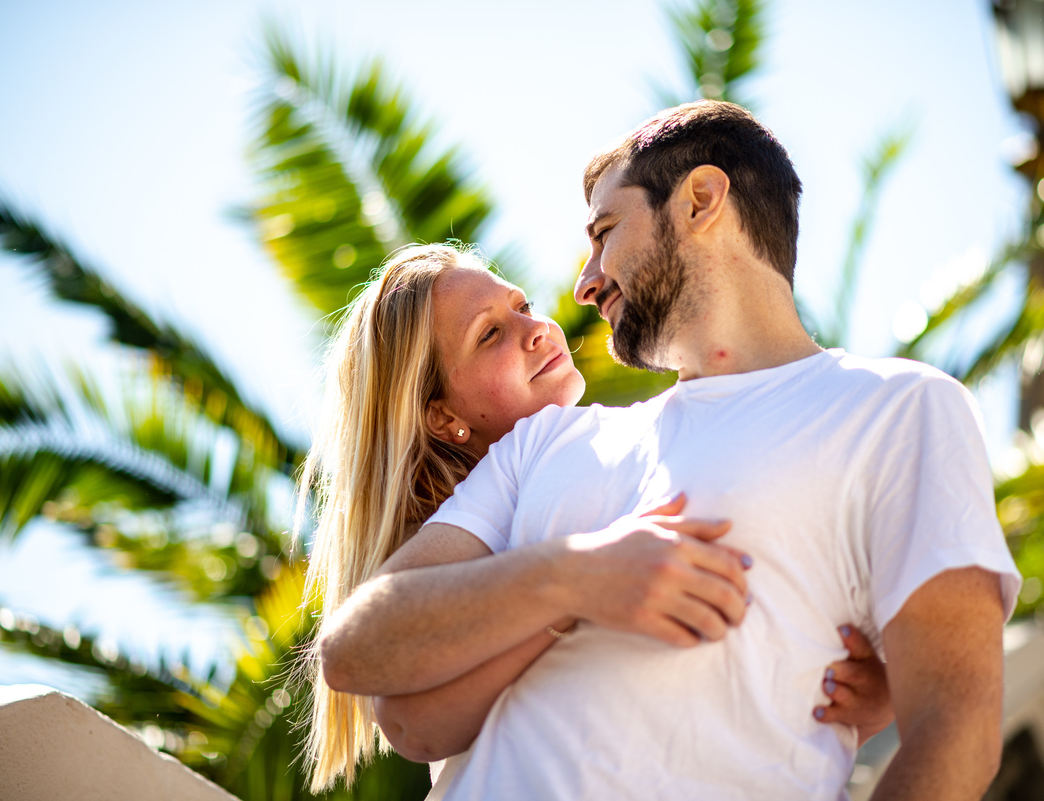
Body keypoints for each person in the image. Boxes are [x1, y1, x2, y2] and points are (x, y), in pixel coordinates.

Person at [320, 101, 1023, 800]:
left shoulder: (898, 409)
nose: (584, 283)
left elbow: (956, 732)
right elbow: (357, 648)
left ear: (700, 200)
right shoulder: (547, 439)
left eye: (604, 231)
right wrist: (581, 574)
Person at [296, 243, 892, 794]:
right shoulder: (507, 485)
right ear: (442, 416)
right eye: (491, 335)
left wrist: (872, 696)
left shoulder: (611, 446)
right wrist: (583, 586)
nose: (537, 329)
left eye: (522, 306)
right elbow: (408, 718)